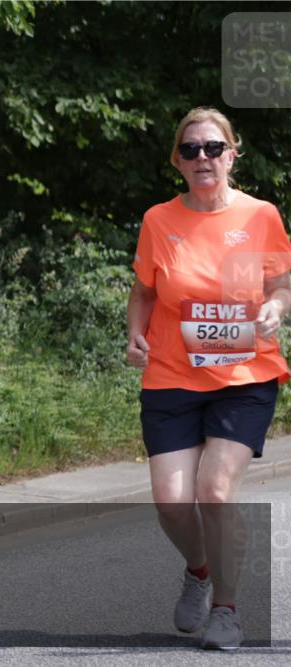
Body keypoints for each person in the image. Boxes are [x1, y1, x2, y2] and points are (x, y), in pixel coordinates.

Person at [126, 107, 291, 650]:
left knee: (215, 490)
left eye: (213, 148)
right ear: (177, 160)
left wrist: (276, 307)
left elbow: (281, 284)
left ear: (232, 155)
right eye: (191, 149)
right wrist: (134, 334)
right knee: (172, 503)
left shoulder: (260, 215)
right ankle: (199, 570)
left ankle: (226, 609)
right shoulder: (159, 221)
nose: (203, 157)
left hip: (244, 374)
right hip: (172, 375)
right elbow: (145, 291)